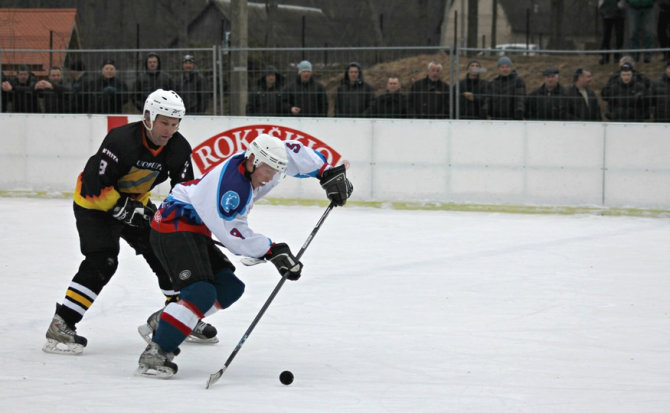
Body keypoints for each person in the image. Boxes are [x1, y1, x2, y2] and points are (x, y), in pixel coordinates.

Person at [135, 133, 353, 378]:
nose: (270, 178)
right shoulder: (231, 189)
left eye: (275, 171)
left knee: (229, 288)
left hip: (195, 227)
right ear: (252, 160)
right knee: (201, 291)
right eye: (267, 171)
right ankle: (157, 353)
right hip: (173, 224)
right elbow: (232, 234)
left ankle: (166, 321)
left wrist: (325, 172)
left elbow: (291, 152)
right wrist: (272, 251)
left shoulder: (263, 161)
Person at [43, 89, 217, 355]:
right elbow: (94, 184)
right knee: (103, 260)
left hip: (135, 201)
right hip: (94, 204)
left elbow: (183, 191)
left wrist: (186, 222)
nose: (169, 130)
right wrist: (125, 208)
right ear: (148, 117)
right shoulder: (120, 141)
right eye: (163, 122)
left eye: (174, 124)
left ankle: (178, 318)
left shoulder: (178, 147)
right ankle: (62, 322)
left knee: (166, 251)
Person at [486, 56, 526, 120]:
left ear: (511, 68)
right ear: (498, 68)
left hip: (512, 118)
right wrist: (485, 110)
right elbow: (488, 99)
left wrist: (519, 111)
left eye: (507, 67)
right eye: (502, 67)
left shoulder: (518, 81)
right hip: (495, 119)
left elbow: (520, 98)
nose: (505, 69)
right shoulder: (493, 83)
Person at [598, 0, 625, 65]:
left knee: (619, 36)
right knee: (606, 36)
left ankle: (617, 56)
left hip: (619, 12)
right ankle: (605, 56)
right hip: (606, 11)